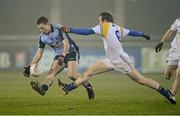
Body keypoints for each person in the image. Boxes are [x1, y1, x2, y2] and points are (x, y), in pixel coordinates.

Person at [58, 11, 176, 104]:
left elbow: (87, 31)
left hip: (121, 60)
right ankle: (69, 87)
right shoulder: (117, 27)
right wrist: (143, 34)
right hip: (110, 60)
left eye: (99, 20)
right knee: (88, 73)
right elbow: (131, 32)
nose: (98, 23)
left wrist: (70, 29)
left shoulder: (104, 26)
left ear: (104, 20)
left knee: (141, 80)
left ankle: (166, 93)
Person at [23, 16, 95, 100]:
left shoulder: (58, 29)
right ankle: (43, 89)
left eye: (42, 28)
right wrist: (30, 66)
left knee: (72, 75)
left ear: (47, 24)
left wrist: (62, 56)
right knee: (51, 72)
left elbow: (66, 44)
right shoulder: (42, 37)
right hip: (59, 55)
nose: (41, 30)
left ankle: (88, 86)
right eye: (39, 29)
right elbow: (39, 54)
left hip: (71, 51)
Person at [155, 18, 180, 100]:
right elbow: (170, 31)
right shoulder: (178, 21)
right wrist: (161, 42)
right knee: (167, 75)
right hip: (175, 51)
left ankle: (171, 95)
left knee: (179, 74)